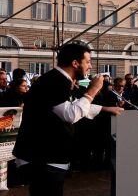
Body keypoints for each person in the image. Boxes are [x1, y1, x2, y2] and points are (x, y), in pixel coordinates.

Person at [12, 43, 123, 196]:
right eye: (88, 62)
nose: (90, 66)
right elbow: (70, 114)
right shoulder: (55, 81)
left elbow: (65, 107)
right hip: (42, 158)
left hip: (43, 158)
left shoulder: (57, 79)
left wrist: (104, 108)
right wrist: (93, 89)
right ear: (75, 63)